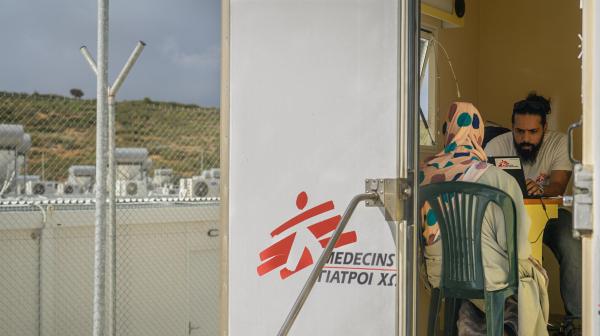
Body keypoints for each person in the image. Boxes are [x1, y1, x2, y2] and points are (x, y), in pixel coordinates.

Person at [420, 102, 549, 335]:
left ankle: (472, 325)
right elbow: (518, 249)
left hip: (439, 273)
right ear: (479, 136)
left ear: (447, 131)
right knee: (530, 278)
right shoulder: (499, 179)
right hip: (488, 274)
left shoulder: (423, 173)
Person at [484, 92, 581, 321]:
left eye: (533, 132)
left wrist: (541, 190)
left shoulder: (559, 143)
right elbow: (484, 184)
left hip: (549, 216)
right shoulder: (496, 145)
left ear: (544, 128)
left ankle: (577, 321)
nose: (525, 138)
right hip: (506, 219)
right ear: (512, 127)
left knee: (572, 243)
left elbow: (558, 184)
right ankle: (507, 321)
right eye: (519, 131)